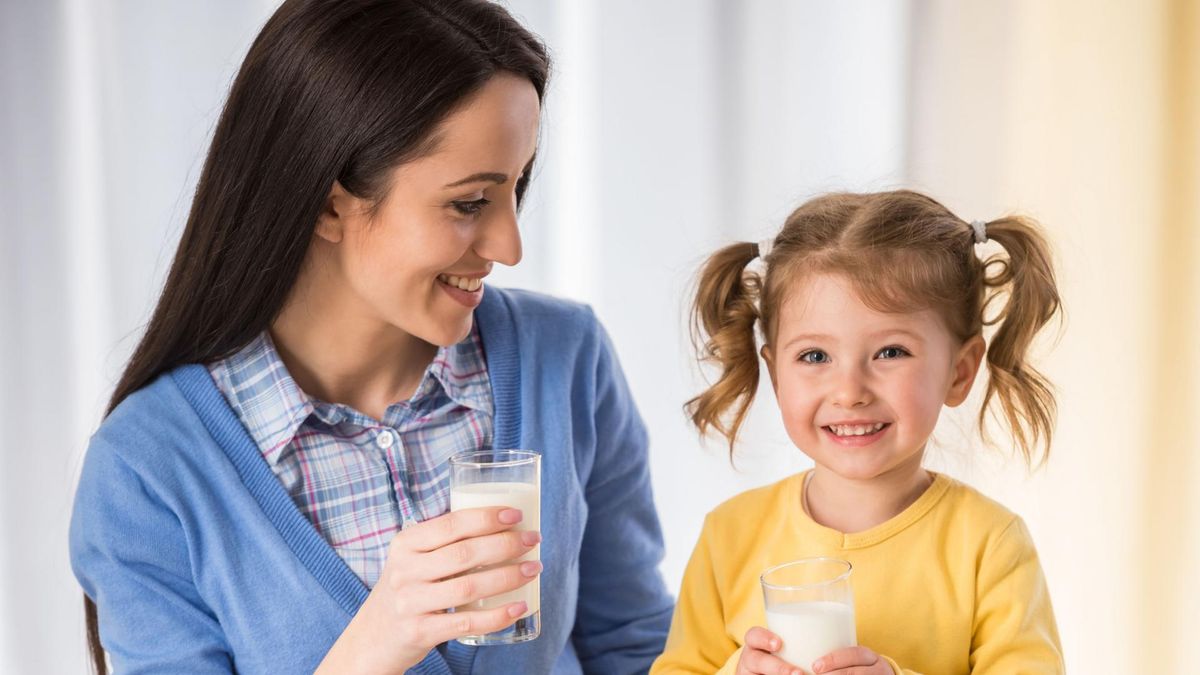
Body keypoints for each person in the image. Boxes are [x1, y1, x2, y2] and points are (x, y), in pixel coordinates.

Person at [68, 1, 673, 673]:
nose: (509, 244)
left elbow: (636, 650)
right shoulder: (147, 472)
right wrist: (378, 640)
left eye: (517, 187)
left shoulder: (563, 358)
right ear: (331, 202)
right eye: (470, 202)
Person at [651, 190, 1065, 674]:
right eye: (814, 356)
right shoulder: (730, 535)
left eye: (890, 352)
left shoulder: (989, 545)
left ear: (959, 372)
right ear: (777, 373)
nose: (849, 392)